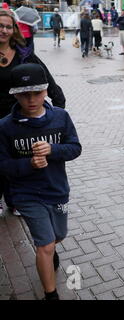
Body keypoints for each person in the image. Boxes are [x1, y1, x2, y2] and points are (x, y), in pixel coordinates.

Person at [0, 63, 81, 300]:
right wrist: (28, 164)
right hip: (26, 194)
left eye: (36, 92)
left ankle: (51, 248)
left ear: (46, 91)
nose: (31, 99)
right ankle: (51, 294)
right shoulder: (5, 127)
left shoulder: (60, 117)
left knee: (58, 236)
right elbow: (3, 166)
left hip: (57, 190)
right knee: (44, 245)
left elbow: (75, 148)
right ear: (15, 94)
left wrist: (53, 150)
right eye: (24, 94)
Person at [0, 8, 65, 216]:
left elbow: (43, 73)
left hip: (18, 117)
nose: (3, 30)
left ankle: (15, 200)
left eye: (8, 27)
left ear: (14, 29)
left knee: (18, 158)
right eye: (0, 26)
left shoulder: (23, 53)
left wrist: (57, 100)